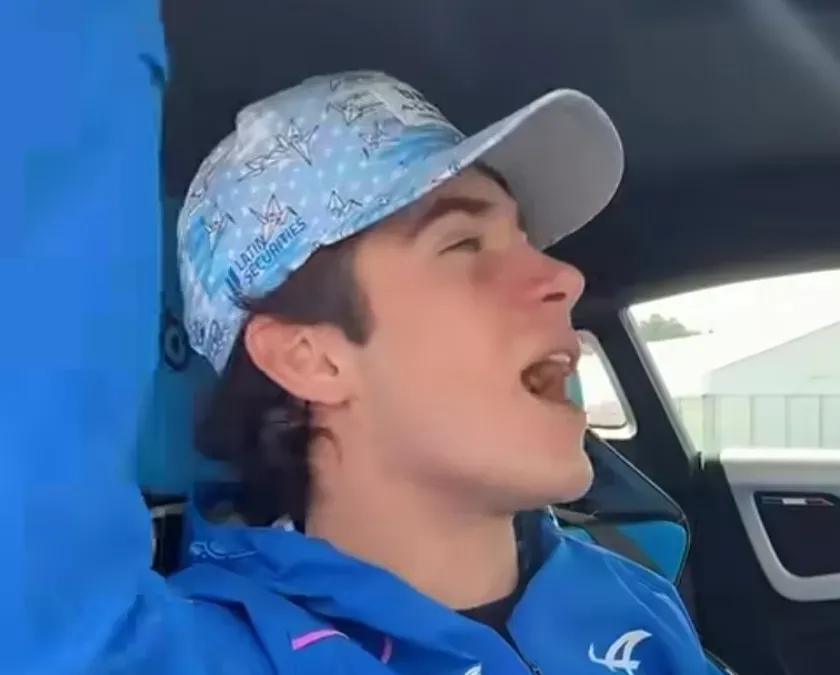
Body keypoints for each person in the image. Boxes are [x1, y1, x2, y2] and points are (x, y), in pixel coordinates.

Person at [34, 68, 721, 674]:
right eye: (463, 243)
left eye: (526, 240)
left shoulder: (638, 599)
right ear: (311, 358)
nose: (565, 277)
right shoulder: (203, 655)